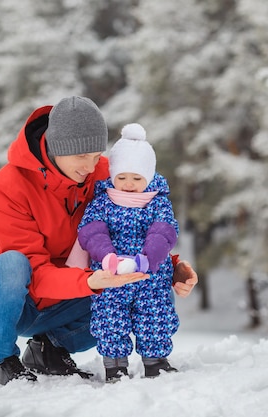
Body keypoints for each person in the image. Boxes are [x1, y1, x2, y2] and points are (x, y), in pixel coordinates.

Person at [0, 96, 198, 385]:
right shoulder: (9, 188)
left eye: (95, 154)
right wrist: (88, 282)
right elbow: (33, 273)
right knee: (13, 265)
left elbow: (132, 230)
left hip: (64, 297)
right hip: (1, 303)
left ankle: (48, 349)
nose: (90, 166)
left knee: (126, 291)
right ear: (56, 148)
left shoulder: (105, 174)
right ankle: (4, 359)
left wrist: (168, 267)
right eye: (80, 157)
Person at [78, 123, 196, 382]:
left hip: (149, 277)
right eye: (121, 177)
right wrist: (106, 255)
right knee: (109, 320)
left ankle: (155, 362)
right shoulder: (102, 202)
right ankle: (115, 366)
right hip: (112, 276)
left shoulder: (158, 203)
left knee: (155, 317)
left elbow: (163, 233)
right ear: (112, 176)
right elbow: (92, 232)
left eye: (136, 178)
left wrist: (148, 259)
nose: (128, 184)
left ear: (149, 177)